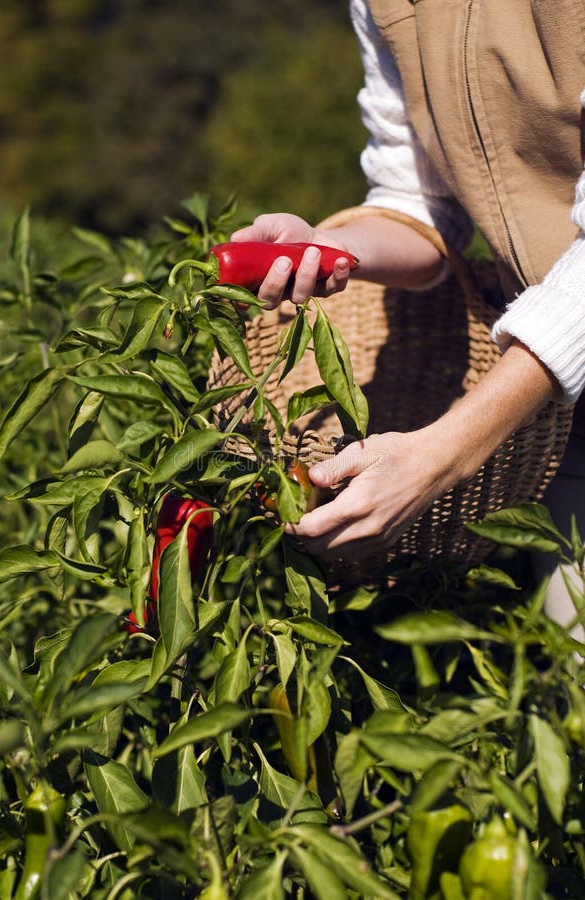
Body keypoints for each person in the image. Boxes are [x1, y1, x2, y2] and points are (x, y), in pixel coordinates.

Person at [230, 0, 585, 629]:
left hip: (543, 364)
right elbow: (416, 196)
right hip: (554, 396)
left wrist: (443, 453)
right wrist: (329, 251)